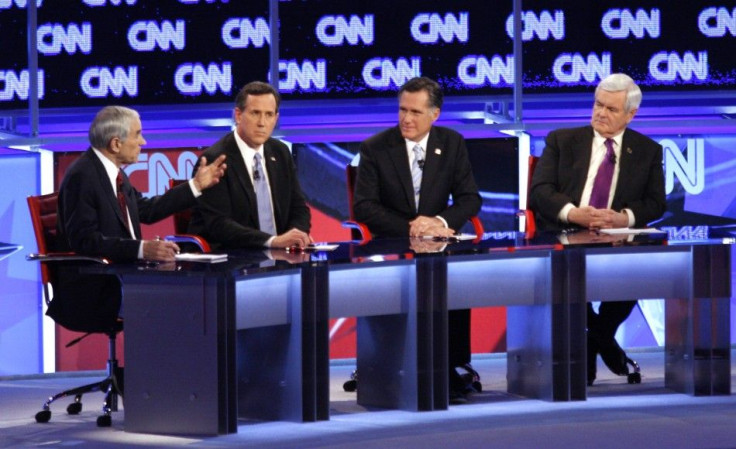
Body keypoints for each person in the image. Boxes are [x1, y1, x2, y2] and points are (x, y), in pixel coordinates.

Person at [529, 73, 666, 385]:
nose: (601, 113)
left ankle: (596, 337)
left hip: (618, 238)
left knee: (642, 269)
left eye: (611, 109)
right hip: (565, 233)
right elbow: (540, 191)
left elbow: (656, 203)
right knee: (568, 279)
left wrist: (624, 218)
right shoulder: (562, 140)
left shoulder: (647, 151)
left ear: (631, 114)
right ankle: (603, 341)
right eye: (598, 105)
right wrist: (574, 213)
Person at [353, 76, 482, 403]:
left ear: (434, 114)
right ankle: (396, 364)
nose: (406, 119)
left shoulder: (451, 143)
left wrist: (438, 222)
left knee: (458, 271)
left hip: (438, 243)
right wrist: (412, 227)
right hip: (393, 243)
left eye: (415, 112)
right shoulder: (376, 148)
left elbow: (469, 200)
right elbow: (363, 207)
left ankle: (450, 364)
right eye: (402, 110)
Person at [51, 105, 227, 333]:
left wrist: (195, 186)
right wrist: (143, 250)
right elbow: (85, 241)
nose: (143, 142)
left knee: (199, 297)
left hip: (124, 276)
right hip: (96, 288)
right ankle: (162, 368)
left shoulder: (114, 172)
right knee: (188, 306)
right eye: (137, 135)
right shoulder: (82, 176)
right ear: (115, 144)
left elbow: (147, 210)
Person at [188, 81, 311, 250]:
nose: (262, 122)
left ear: (276, 118)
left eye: (269, 115)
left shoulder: (280, 152)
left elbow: (299, 209)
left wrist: (294, 237)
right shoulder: (215, 160)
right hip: (230, 258)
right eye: (255, 113)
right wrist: (272, 242)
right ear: (238, 115)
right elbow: (219, 225)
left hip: (280, 256)